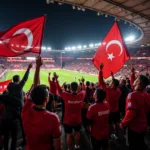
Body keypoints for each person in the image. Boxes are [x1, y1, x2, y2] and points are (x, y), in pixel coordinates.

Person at [21, 57, 61, 150]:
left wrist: (38, 66)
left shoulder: (25, 111)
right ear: (47, 99)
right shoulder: (53, 118)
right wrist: (38, 66)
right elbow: (58, 146)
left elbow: (35, 88)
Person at [120, 66, 150, 150]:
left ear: (139, 83)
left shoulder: (132, 95)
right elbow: (135, 86)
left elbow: (131, 113)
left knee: (133, 146)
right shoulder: (146, 94)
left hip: (134, 128)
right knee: (141, 143)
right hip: (143, 126)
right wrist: (132, 73)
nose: (135, 80)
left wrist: (122, 124)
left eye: (137, 79)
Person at [55, 74, 85, 150]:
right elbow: (83, 90)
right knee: (77, 132)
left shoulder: (66, 95)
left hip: (68, 120)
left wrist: (56, 80)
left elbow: (59, 90)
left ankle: (69, 148)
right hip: (78, 120)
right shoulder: (81, 95)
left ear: (70, 88)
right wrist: (82, 83)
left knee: (69, 134)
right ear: (77, 88)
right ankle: (77, 146)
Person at [99, 63, 121, 137]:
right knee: (117, 123)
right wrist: (112, 76)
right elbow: (115, 84)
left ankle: (110, 136)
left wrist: (100, 70)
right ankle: (117, 135)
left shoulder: (108, 90)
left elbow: (101, 81)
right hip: (116, 110)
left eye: (111, 82)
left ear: (113, 85)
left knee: (109, 124)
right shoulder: (118, 91)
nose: (110, 82)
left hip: (109, 110)